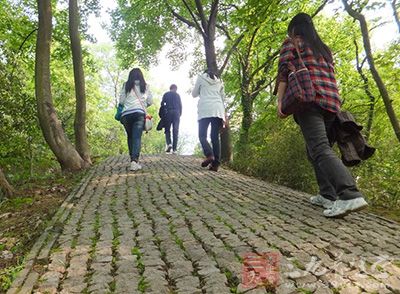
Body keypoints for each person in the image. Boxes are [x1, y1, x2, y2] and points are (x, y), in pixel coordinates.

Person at [275, 13, 368, 218]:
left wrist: (280, 102)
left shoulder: (292, 43)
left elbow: (283, 73)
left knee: (319, 148)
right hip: (331, 103)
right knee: (313, 150)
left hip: (309, 100)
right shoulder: (324, 49)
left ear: (294, 29)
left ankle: (349, 194)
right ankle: (327, 194)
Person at [119, 68, 153, 171]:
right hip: (139, 113)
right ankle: (134, 161)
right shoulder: (145, 86)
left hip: (126, 114)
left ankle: (132, 160)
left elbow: (121, 101)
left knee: (130, 137)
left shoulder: (126, 85)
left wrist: (128, 104)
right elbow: (150, 101)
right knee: (137, 137)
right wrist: (144, 104)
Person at [192, 69, 226, 172]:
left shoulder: (200, 78)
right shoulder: (220, 81)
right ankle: (215, 165)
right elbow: (223, 97)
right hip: (218, 109)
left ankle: (209, 154)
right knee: (215, 137)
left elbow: (194, 94)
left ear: (205, 73)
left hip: (205, 109)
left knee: (202, 135)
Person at [161, 84, 182, 154]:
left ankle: (169, 143)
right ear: (175, 89)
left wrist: (163, 114)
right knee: (175, 131)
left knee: (167, 129)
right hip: (177, 113)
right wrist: (179, 114)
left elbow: (162, 104)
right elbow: (180, 105)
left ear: (170, 88)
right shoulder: (178, 95)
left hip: (168, 112)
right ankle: (175, 149)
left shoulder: (166, 94)